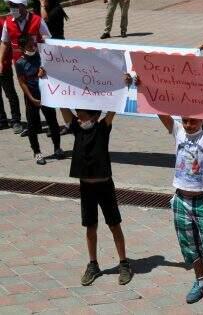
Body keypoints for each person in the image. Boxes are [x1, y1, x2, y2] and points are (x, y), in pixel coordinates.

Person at [131, 73, 203, 304]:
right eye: (186, 120)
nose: (189, 124)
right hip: (181, 199)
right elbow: (160, 111)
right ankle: (201, 280)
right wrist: (142, 88)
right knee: (189, 244)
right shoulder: (178, 131)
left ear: (202, 120)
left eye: (193, 120)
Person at [56, 106, 132, 287]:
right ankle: (93, 264)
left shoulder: (102, 128)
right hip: (86, 187)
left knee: (114, 224)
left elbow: (114, 107)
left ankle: (124, 263)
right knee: (90, 226)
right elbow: (62, 105)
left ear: (95, 117)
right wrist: (50, 79)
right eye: (78, 117)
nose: (79, 120)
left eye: (82, 117)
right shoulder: (77, 128)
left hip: (104, 185)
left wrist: (125, 85)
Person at [0, 0, 52, 135]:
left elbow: (48, 41)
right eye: (11, 6)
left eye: (15, 6)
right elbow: (4, 42)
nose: (12, 9)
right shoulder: (8, 22)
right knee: (27, 92)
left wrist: (45, 65)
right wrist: (0, 60)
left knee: (44, 91)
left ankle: (52, 126)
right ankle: (34, 126)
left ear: (23, 7)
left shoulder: (37, 20)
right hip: (20, 64)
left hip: (38, 62)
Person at [15, 35, 64, 165]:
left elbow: (53, 72)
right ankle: (37, 153)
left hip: (46, 95)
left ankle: (57, 148)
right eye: (30, 45)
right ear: (21, 48)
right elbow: (22, 82)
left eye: (34, 44)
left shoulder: (42, 56)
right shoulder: (19, 63)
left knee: (52, 121)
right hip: (32, 97)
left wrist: (43, 74)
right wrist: (31, 98)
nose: (33, 47)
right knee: (32, 126)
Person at [0, 16, 22, 133]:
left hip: (3, 65)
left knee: (10, 93)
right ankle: (2, 120)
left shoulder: (2, 23)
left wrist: (3, 60)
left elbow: (6, 43)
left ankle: (16, 120)